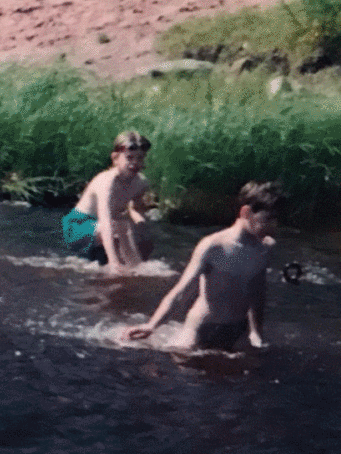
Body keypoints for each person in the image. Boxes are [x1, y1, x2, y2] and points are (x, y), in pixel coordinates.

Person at [125, 181, 284, 352]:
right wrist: (151, 325)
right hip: (202, 328)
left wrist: (256, 333)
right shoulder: (214, 245)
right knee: (182, 362)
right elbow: (183, 290)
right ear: (245, 212)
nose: (272, 226)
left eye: (276, 220)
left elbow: (257, 293)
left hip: (237, 330)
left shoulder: (264, 248)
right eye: (267, 219)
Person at [62, 131, 155, 269]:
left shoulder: (141, 183)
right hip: (77, 226)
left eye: (140, 158)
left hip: (108, 226)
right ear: (115, 158)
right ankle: (117, 264)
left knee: (133, 232)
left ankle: (136, 267)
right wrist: (113, 263)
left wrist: (141, 224)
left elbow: (135, 209)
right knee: (119, 225)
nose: (135, 163)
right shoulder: (106, 181)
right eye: (129, 157)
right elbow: (105, 221)